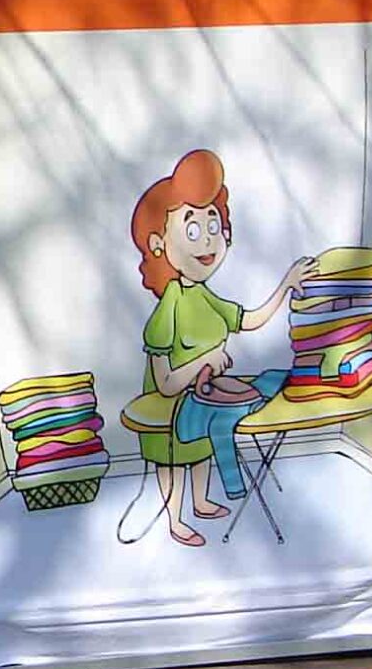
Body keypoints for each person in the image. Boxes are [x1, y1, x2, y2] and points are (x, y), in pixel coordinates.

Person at [128, 149, 312, 546]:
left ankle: (201, 501)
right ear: (160, 243)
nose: (209, 239)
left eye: (214, 225)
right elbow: (166, 384)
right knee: (177, 458)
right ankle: (175, 519)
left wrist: (285, 284)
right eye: (193, 230)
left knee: (204, 446)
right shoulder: (170, 306)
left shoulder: (205, 296)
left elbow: (249, 320)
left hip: (204, 395)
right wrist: (205, 361)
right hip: (170, 406)